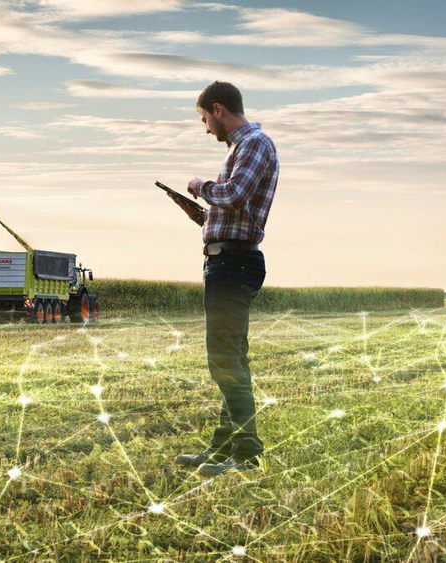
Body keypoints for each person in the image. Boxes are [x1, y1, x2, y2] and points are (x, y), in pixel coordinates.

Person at [165, 81, 279, 477]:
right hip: (226, 259)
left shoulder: (254, 144)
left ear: (218, 109)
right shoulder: (243, 148)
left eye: (204, 119)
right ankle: (223, 447)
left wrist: (200, 187)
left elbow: (232, 195)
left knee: (225, 361)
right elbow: (230, 212)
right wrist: (198, 213)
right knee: (231, 360)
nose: (206, 129)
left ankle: (247, 454)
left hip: (233, 264)